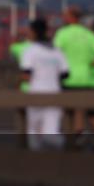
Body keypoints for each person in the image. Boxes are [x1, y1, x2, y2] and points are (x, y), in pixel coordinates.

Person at [53, 7, 94, 147]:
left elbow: (55, 52)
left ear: (72, 17)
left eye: (65, 15)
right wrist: (92, 64)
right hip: (85, 77)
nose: (63, 18)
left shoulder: (62, 33)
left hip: (68, 78)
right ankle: (83, 135)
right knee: (80, 110)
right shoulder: (88, 34)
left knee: (69, 111)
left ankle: (75, 138)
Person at [20, 18, 68, 151]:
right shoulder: (57, 51)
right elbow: (65, 74)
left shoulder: (30, 50)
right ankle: (65, 150)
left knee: (34, 131)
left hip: (36, 94)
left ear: (34, 32)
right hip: (54, 93)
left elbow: (26, 75)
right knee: (51, 132)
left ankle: (36, 162)